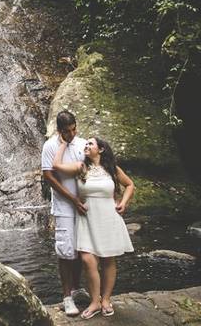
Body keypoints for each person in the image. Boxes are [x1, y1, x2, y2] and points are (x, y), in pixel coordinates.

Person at [52, 136, 135, 319]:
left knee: (108, 260)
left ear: (101, 149)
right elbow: (56, 166)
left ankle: (105, 300)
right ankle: (95, 301)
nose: (86, 146)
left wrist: (123, 202)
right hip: (87, 218)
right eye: (86, 143)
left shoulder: (112, 168)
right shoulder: (80, 167)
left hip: (108, 217)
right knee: (88, 260)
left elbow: (129, 185)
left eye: (90, 143)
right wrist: (64, 143)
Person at [41, 110, 88, 317]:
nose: (72, 134)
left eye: (74, 129)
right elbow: (49, 176)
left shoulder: (82, 143)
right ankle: (67, 296)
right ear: (59, 131)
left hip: (84, 204)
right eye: (67, 131)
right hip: (64, 205)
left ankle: (78, 288)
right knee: (65, 249)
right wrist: (72, 199)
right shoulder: (50, 146)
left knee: (80, 247)